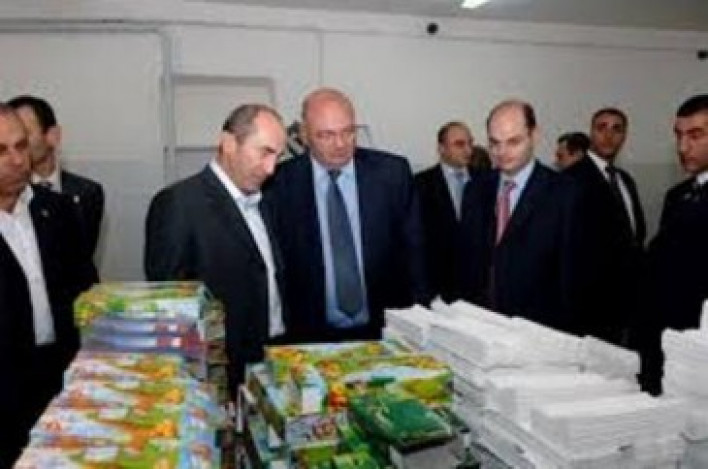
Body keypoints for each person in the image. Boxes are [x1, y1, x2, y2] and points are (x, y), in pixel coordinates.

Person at [144, 104, 288, 399]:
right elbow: (171, 306)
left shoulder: (267, 199)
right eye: (264, 152)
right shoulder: (178, 204)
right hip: (217, 374)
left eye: (278, 156)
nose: (271, 168)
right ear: (228, 143)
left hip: (271, 360)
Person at [269, 87, 428, 343]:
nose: (341, 144)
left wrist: (420, 322)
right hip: (308, 336)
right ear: (304, 135)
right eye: (326, 135)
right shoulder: (278, 184)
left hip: (384, 331)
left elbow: (415, 253)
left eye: (348, 132)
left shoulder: (391, 174)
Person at [0, 104, 97, 466]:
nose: (16, 160)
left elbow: (86, 291)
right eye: (1, 150)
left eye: (21, 146)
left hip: (61, 382)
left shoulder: (57, 210)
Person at [458, 99, 584, 333]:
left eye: (513, 142)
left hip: (538, 330)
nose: (502, 152)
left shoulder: (564, 193)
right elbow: (468, 263)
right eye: (494, 143)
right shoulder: (475, 189)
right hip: (480, 325)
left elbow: (572, 277)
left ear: (534, 136)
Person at [564, 107, 646, 346]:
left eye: (617, 129)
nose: (609, 136)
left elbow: (634, 237)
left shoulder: (625, 180)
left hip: (625, 303)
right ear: (591, 132)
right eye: (602, 128)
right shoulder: (571, 179)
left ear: (625, 136)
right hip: (588, 306)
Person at [643, 94, 708, 393]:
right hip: (668, 345)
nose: (683, 147)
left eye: (695, 135)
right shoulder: (677, 195)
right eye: (679, 136)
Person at [7, 95, 105, 259]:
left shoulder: (87, 193)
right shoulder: (10, 195)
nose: (17, 147)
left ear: (53, 136)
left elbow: (80, 258)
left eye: (25, 135)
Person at [415, 121, 475, 301]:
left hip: (476, 287)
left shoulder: (484, 181)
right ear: (441, 148)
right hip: (437, 285)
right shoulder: (420, 184)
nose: (468, 150)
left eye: (470, 143)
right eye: (459, 144)